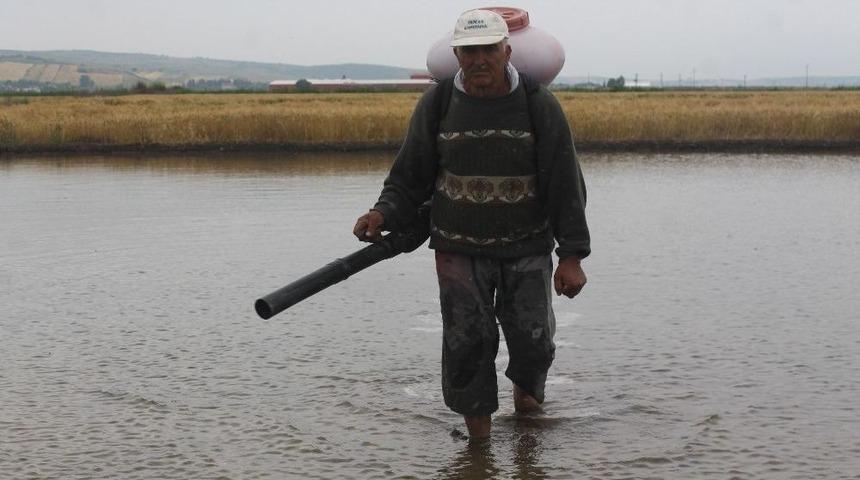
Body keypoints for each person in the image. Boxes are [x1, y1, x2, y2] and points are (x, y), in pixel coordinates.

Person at [353, 8, 590, 439]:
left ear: (508, 52)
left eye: (488, 50)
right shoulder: (439, 102)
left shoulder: (538, 105)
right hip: (458, 249)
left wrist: (571, 256)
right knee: (466, 347)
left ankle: (527, 434)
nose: (479, 59)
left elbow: (566, 185)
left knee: (533, 345)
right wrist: (382, 213)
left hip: (527, 248)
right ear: (457, 55)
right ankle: (479, 450)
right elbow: (409, 175)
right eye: (469, 51)